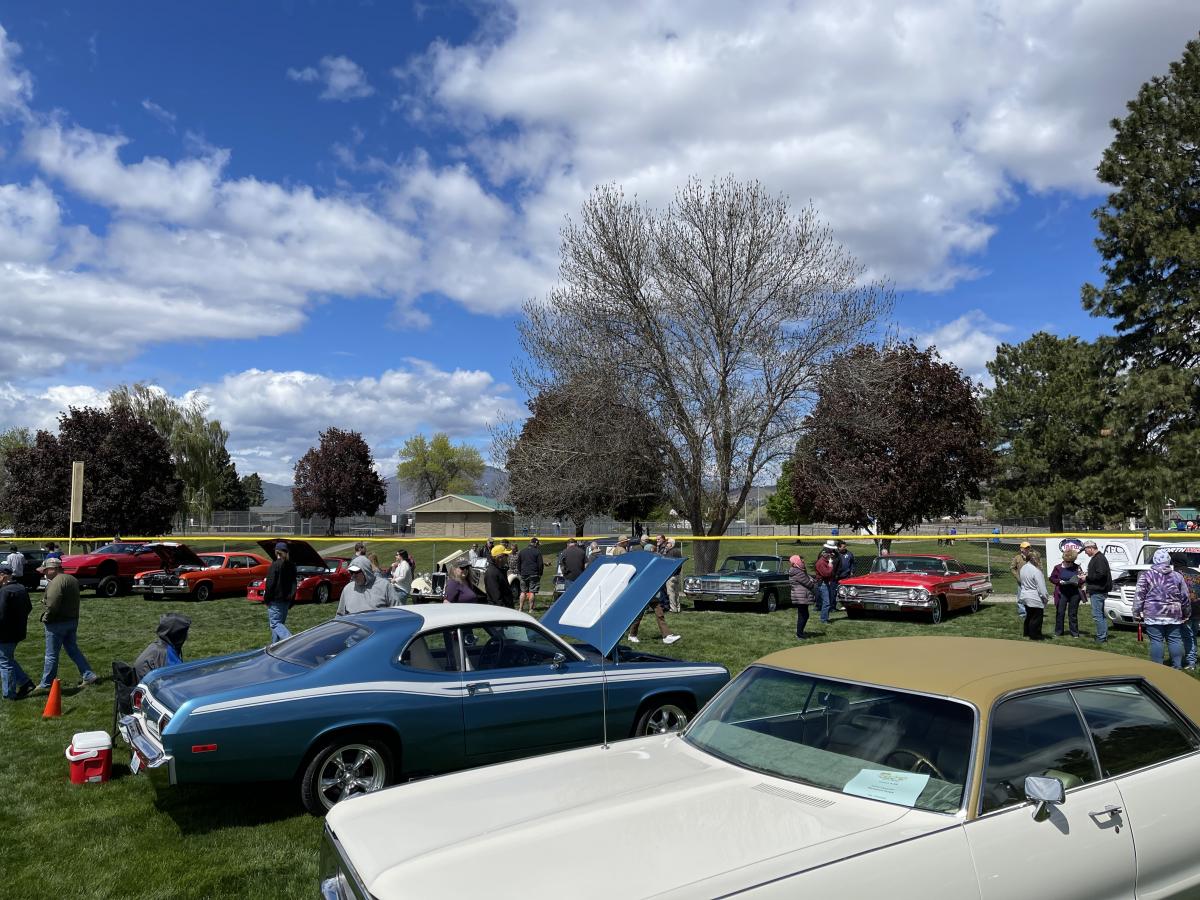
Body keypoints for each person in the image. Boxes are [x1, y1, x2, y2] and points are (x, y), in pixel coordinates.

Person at [36, 556, 98, 688]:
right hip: (72, 620)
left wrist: (46, 618)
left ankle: (46, 683)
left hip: (57, 622)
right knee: (72, 649)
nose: (44, 573)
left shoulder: (56, 582)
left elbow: (52, 605)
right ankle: (88, 675)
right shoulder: (72, 579)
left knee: (51, 655)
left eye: (46, 570)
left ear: (54, 569)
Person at [1134, 548, 1191, 669]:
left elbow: (1139, 596)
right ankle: (1177, 666)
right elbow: (1185, 597)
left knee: (1156, 641)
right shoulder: (1177, 576)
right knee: (1175, 640)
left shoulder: (1146, 575)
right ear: (1169, 560)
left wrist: (1136, 612)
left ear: (1155, 560)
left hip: (1153, 614)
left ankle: (1158, 668)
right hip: (1174, 614)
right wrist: (1186, 613)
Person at [0, 565, 34, 700]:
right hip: (18, 630)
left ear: (3, 576)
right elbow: (29, 607)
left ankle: (9, 693)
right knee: (7, 658)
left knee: (4, 662)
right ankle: (25, 683)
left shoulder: (4, 591)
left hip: (4, 633)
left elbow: (1, 615)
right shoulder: (21, 588)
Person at [133, 612, 191, 681]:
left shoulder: (158, 645)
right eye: (184, 633)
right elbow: (179, 679)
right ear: (176, 634)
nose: (186, 637)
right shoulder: (167, 653)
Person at [263, 541, 297, 643]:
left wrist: (266, 599)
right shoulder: (292, 566)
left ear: (276, 552)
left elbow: (270, 584)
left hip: (275, 601)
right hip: (286, 601)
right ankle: (275, 647)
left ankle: (291, 640)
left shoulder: (275, 565)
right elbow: (294, 585)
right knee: (279, 625)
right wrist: (292, 599)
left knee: (275, 624)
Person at [1081, 539, 1112, 643]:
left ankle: (1101, 637)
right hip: (1099, 590)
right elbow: (1099, 573)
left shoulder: (1099, 558)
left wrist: (1087, 578)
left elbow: (1101, 575)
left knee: (1097, 615)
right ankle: (1103, 636)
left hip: (1098, 590)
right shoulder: (1098, 557)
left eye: (1085, 550)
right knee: (1100, 615)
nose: (1085, 552)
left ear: (1091, 548)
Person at [1049, 547, 1084, 637]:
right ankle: (1058, 632)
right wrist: (1059, 581)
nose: (1069, 563)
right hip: (1062, 592)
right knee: (1060, 612)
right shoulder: (1058, 567)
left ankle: (1074, 633)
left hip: (1074, 593)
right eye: (1067, 561)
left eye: (1071, 562)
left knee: (1072, 613)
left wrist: (1079, 581)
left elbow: (1082, 579)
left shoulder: (1077, 567)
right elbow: (1052, 578)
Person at [1017, 554, 1048, 640]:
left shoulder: (1023, 568)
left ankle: (1026, 632)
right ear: (1034, 560)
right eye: (1038, 559)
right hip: (1034, 596)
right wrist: (1045, 597)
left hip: (1025, 595)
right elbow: (1041, 587)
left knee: (1029, 615)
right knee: (1037, 617)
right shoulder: (1036, 571)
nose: (1039, 562)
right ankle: (1035, 635)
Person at [788, 555, 816, 640]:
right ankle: (799, 634)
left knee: (803, 615)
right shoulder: (798, 572)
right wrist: (812, 581)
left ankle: (800, 633)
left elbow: (808, 579)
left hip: (800, 596)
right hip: (801, 596)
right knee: (804, 615)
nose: (803, 561)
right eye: (801, 560)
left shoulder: (798, 571)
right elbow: (809, 583)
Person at [515, 537, 546, 614]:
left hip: (523, 573)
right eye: (538, 544)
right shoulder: (537, 552)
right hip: (534, 574)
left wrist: (520, 572)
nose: (538, 546)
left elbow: (518, 563)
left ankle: (520, 608)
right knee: (532, 591)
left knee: (523, 591)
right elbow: (540, 565)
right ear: (535, 543)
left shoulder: (522, 551)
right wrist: (540, 573)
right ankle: (530, 609)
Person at [814, 540, 838, 624]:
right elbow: (826, 574)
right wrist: (830, 566)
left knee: (827, 602)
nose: (831, 555)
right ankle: (824, 619)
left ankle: (825, 618)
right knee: (826, 602)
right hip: (822, 583)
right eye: (830, 554)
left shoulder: (825, 561)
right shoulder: (821, 563)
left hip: (826, 582)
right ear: (825, 554)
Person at [1010, 542, 1035, 620]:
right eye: (1025, 548)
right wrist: (1018, 577)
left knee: (1031, 597)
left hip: (1031, 581)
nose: (1027, 549)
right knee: (1021, 597)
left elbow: (1038, 567)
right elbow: (1012, 568)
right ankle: (1023, 613)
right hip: (1021, 581)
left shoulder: (1033, 557)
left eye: (1028, 547)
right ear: (1021, 549)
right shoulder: (1017, 558)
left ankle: (1031, 613)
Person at [660, 537, 682, 613]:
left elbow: (667, 564)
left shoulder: (670, 552)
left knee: (671, 593)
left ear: (671, 544)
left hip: (671, 575)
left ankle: (673, 609)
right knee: (676, 593)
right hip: (677, 574)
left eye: (668, 543)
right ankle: (678, 608)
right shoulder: (678, 551)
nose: (666, 545)